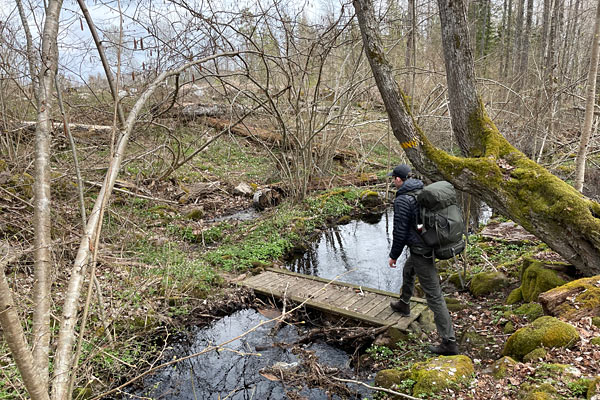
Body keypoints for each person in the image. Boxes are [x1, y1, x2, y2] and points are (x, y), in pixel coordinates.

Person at [387, 164, 459, 356]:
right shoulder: (420, 189)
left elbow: (400, 232)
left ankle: (449, 342)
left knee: (434, 295)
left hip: (422, 250)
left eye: (393, 178)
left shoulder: (403, 200)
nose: (393, 181)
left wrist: (393, 255)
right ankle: (404, 303)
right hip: (429, 243)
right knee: (408, 270)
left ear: (399, 179)